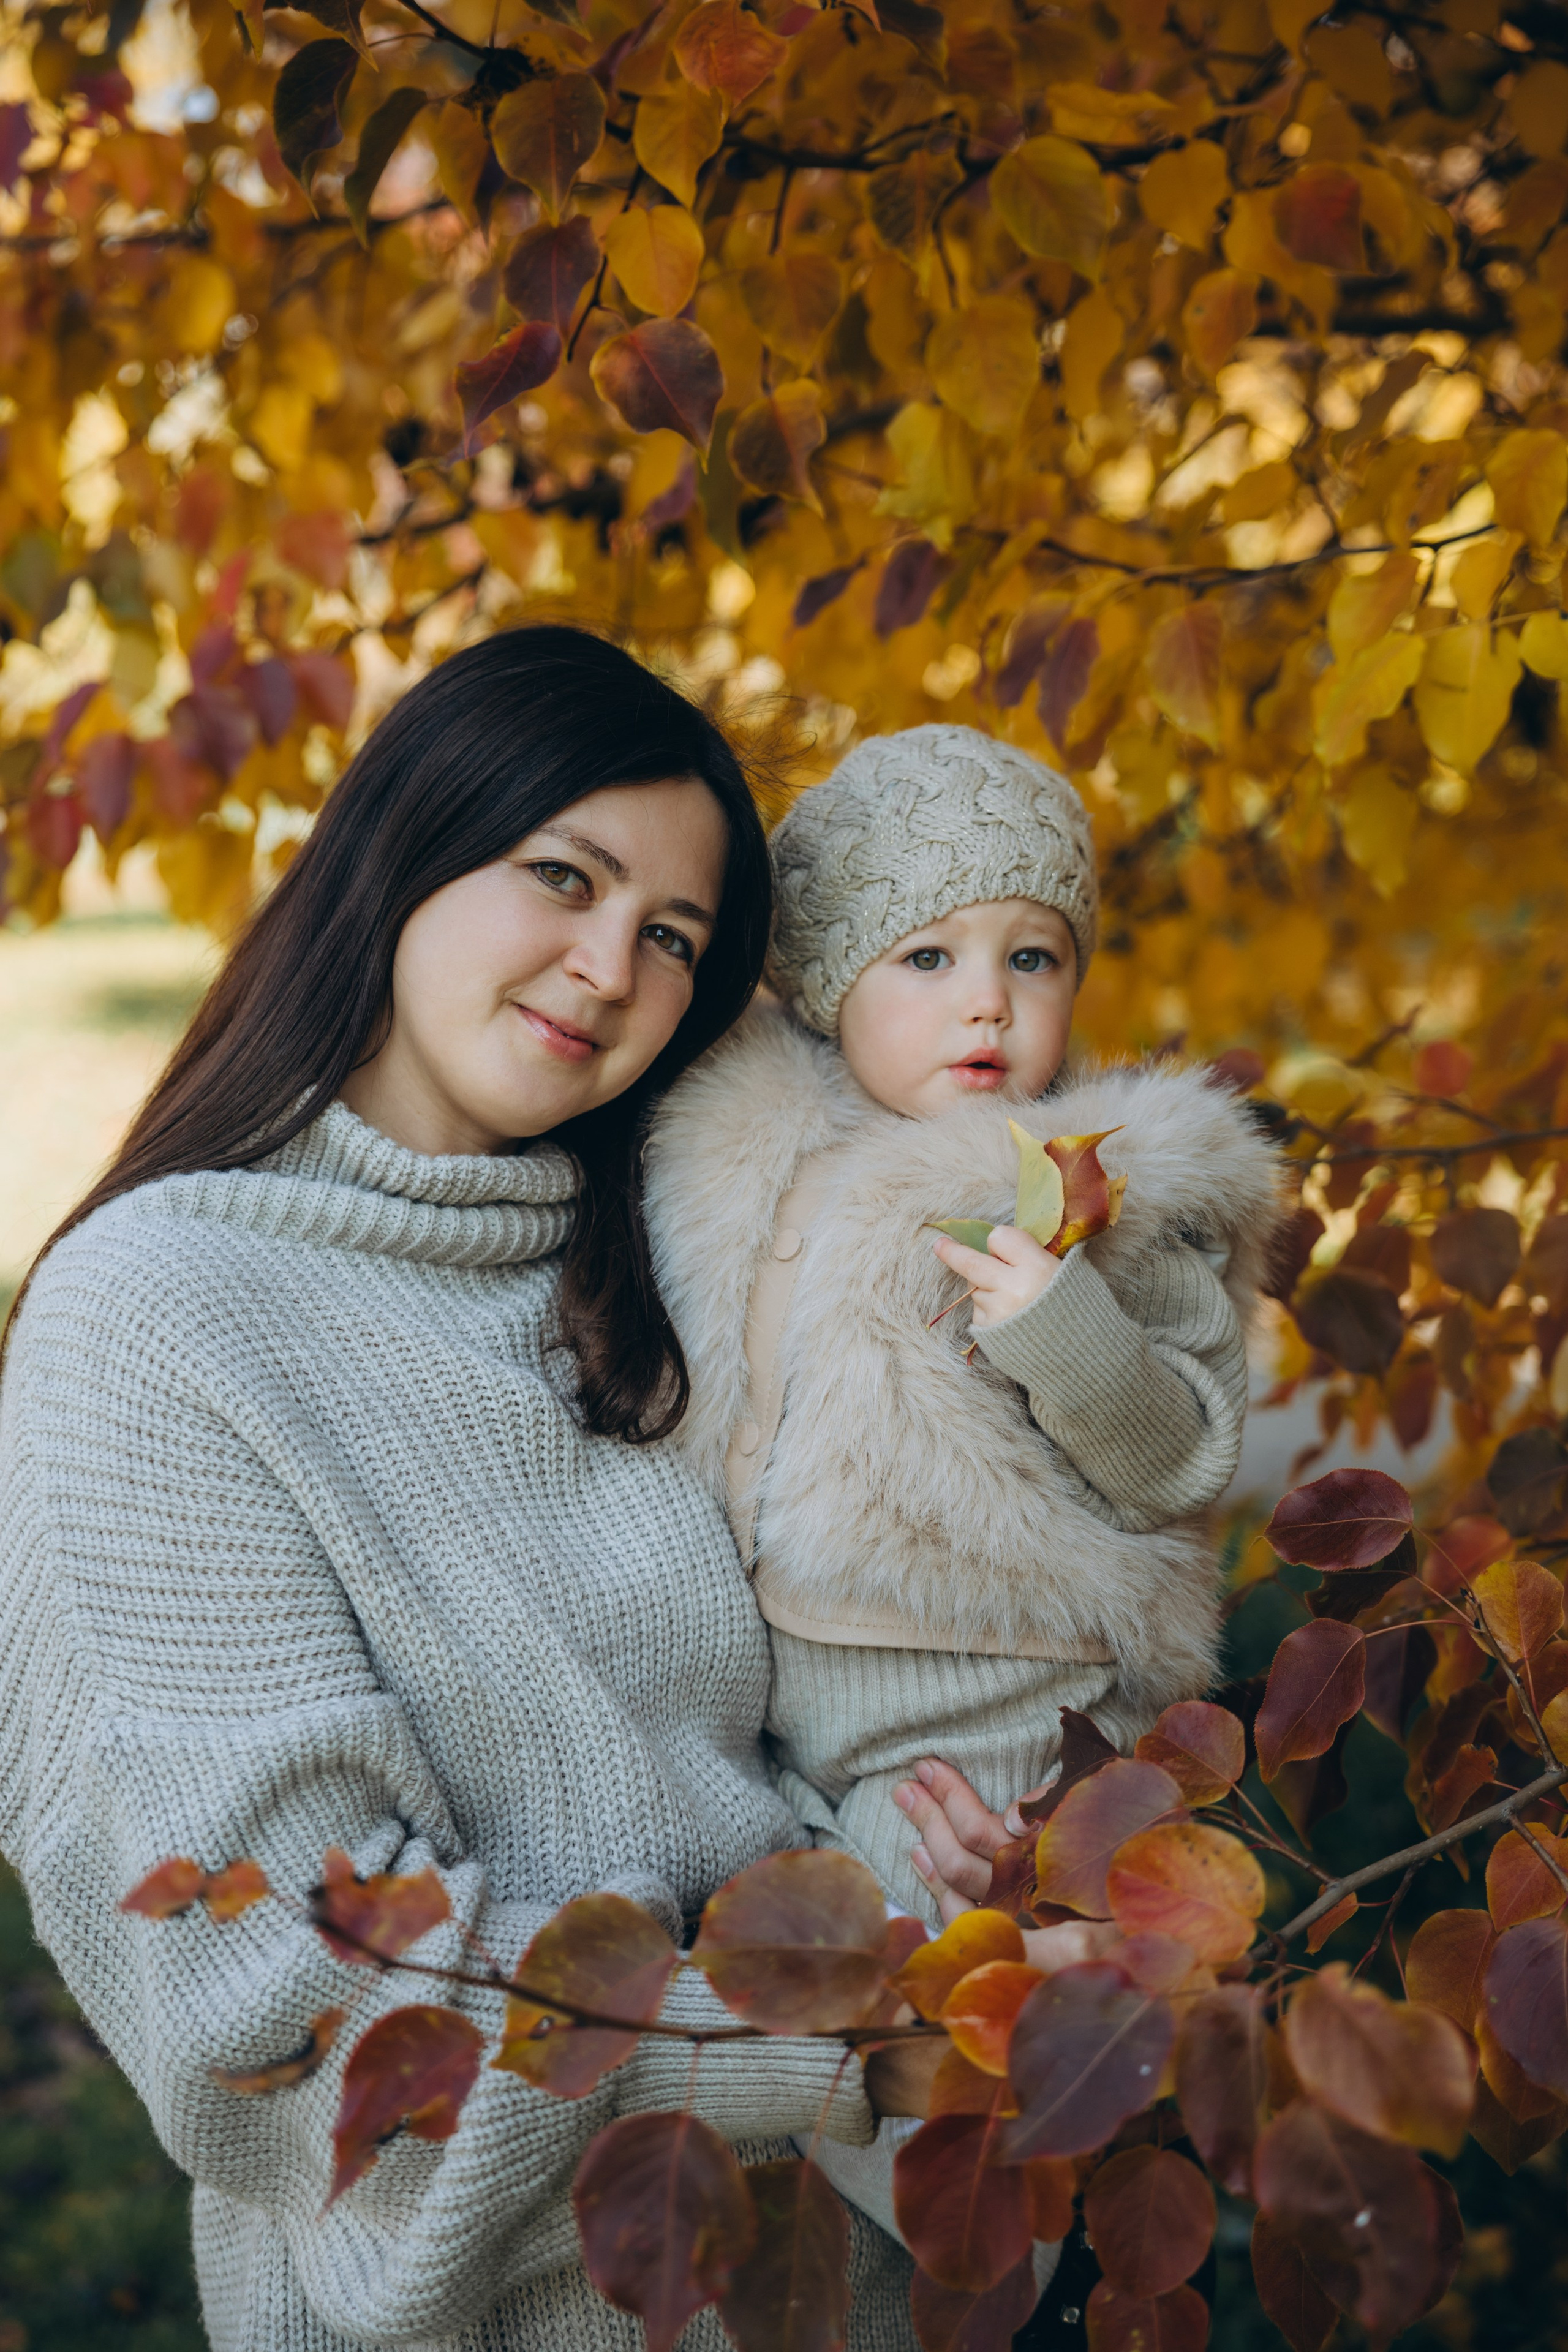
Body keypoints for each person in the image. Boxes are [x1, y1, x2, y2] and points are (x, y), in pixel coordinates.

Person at [0, 628, 926, 2352]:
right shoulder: (161, 1317)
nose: (610, 968)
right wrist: (841, 2041)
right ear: (404, 847)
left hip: (853, 2277)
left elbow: (795, 1718)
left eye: (673, 937)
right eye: (563, 877)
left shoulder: (670, 1266)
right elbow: (287, 1998)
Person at [642, 723, 1286, 2231]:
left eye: (1031, 957)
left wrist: (1063, 1330)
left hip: (1002, 1707)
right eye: (925, 957)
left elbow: (1179, 1458)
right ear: (824, 982)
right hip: (799, 1722)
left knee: (995, 2064)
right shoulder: (742, 1160)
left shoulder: (1101, 1195)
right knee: (832, 2034)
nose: (986, 999)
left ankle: (1060, 2247)